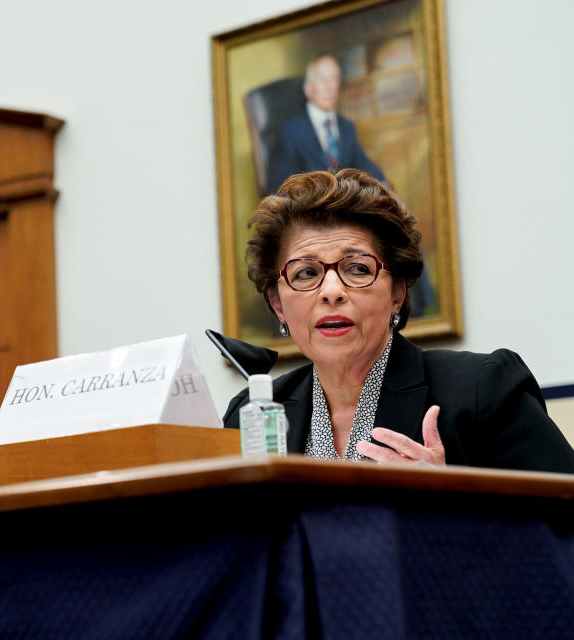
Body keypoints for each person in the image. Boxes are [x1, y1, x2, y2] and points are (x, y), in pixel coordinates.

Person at [222, 169, 574, 473]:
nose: (331, 291)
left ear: (398, 293)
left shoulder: (484, 388)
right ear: (278, 304)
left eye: (358, 269)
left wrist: (452, 503)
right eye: (306, 273)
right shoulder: (247, 415)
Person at [267, 55, 386, 196]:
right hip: (310, 211)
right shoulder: (291, 132)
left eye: (334, 79)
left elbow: (364, 164)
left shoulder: (347, 127)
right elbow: (282, 187)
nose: (329, 87)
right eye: (322, 80)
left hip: (344, 208)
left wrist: (384, 185)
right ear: (308, 89)